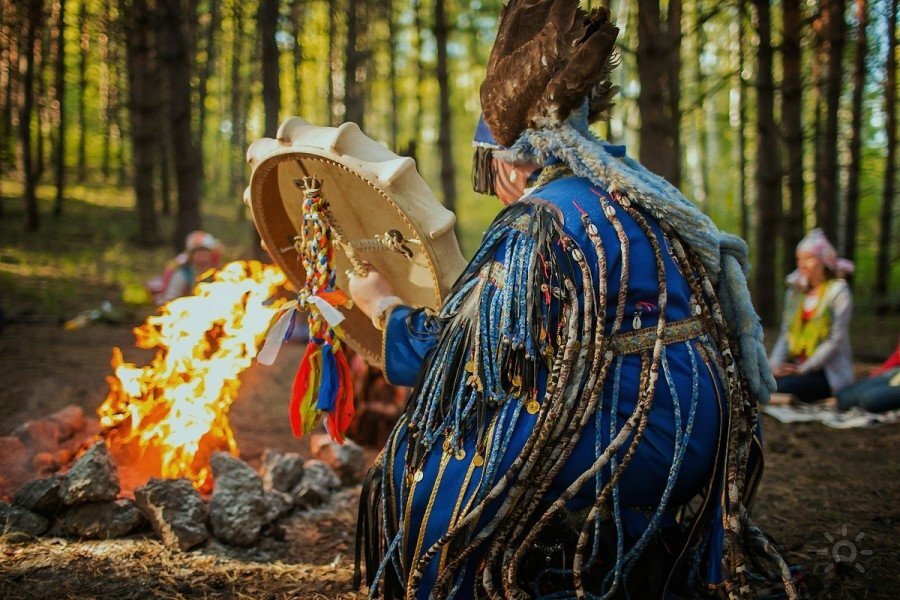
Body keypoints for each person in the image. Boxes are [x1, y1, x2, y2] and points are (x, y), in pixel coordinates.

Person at [349, 2, 792, 598]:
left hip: (637, 428)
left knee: (437, 463)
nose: (496, 181)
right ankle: (619, 563)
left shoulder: (539, 221)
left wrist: (382, 306)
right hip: (704, 427)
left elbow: (457, 358)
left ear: (510, 160)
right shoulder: (637, 195)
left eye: (491, 166)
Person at [768, 229, 854, 404]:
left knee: (780, 387)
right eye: (799, 259)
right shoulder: (794, 293)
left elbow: (835, 340)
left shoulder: (838, 291)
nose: (802, 264)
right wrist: (773, 366)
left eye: (808, 258)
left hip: (825, 372)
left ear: (824, 261)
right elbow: (786, 333)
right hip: (796, 366)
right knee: (763, 382)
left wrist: (803, 369)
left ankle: (790, 397)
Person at [147, 231, 223, 304]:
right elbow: (170, 299)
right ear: (191, 254)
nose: (202, 254)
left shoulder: (218, 273)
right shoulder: (183, 274)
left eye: (205, 251)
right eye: (198, 251)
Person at [835, 338, 900, 413]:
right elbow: (897, 356)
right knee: (843, 397)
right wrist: (873, 378)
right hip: (896, 372)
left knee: (870, 400)